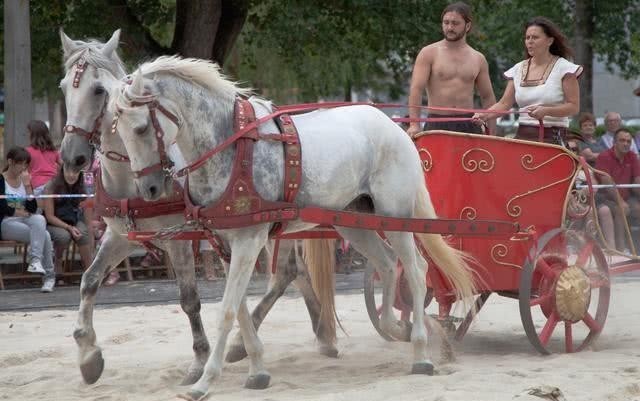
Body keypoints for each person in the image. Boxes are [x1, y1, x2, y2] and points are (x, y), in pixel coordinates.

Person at [473, 17, 581, 144]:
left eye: (535, 37)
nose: (530, 41)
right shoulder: (518, 69)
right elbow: (504, 104)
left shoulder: (565, 68)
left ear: (550, 41)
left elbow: (573, 107)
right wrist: (483, 115)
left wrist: (546, 111)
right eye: (527, 38)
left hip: (553, 140)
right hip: (522, 138)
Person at [407, 2, 496, 137]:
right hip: (437, 123)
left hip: (469, 123)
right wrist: (414, 124)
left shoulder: (478, 58)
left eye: (455, 23)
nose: (449, 27)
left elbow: (488, 96)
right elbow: (416, 89)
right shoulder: (428, 53)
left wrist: (492, 132)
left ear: (467, 26)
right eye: (446, 22)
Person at [0, 147, 56, 292]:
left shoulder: (25, 180)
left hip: (25, 220)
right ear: (10, 162)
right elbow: (1, 207)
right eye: (21, 164)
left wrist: (27, 186)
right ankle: (49, 277)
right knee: (45, 235)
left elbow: (31, 208)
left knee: (39, 220)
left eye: (26, 164)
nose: (23, 168)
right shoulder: (1, 180)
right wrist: (17, 212)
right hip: (7, 223)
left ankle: (36, 261)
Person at [42, 165, 94, 277]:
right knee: (64, 236)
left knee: (83, 232)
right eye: (68, 171)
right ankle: (58, 261)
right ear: (62, 171)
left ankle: (90, 270)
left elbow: (88, 218)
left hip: (73, 219)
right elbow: (49, 216)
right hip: (53, 222)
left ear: (80, 173)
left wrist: (91, 230)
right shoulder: (51, 186)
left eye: (75, 172)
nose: (71, 175)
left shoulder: (83, 187)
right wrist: (69, 228)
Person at [595, 128, 640, 251]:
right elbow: (607, 182)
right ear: (614, 142)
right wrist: (620, 201)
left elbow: (637, 180)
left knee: (637, 208)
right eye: (622, 140)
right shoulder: (604, 156)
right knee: (622, 208)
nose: (626, 144)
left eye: (628, 141)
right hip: (605, 198)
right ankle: (620, 248)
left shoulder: (632, 156)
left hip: (626, 196)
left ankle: (635, 247)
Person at [25, 120, 60, 200]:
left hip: (37, 187)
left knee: (38, 211)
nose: (27, 134)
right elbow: (63, 165)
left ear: (32, 134)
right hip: (53, 186)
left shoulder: (27, 151)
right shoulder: (54, 151)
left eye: (28, 132)